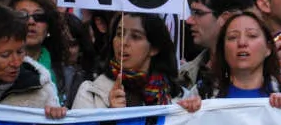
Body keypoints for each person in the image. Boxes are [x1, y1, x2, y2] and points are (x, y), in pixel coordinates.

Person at [72, 13, 200, 112]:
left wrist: (194, 113)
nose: (123, 42)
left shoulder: (181, 98)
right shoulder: (90, 93)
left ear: (154, 48)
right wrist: (110, 118)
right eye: (119, 34)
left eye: (135, 36)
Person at [180, 0, 254, 98]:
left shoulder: (261, 77)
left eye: (198, 13)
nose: (189, 20)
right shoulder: (185, 73)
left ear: (226, 18)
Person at [0, 1, 66, 119]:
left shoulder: (40, 90)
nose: (16, 63)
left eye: (20, 52)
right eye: (5, 55)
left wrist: (55, 116)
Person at [211, 11, 281, 108]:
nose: (242, 43)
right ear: (222, 49)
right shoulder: (205, 91)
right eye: (232, 37)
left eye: (252, 35)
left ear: (268, 48)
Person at [5, 0, 67, 102]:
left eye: (39, 17)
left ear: (49, 26)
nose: (31, 22)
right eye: (22, 15)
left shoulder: (67, 74)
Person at [62, 13, 97, 108]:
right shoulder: (45, 71)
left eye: (72, 44)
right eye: (62, 43)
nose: (66, 49)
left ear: (81, 47)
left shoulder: (91, 77)